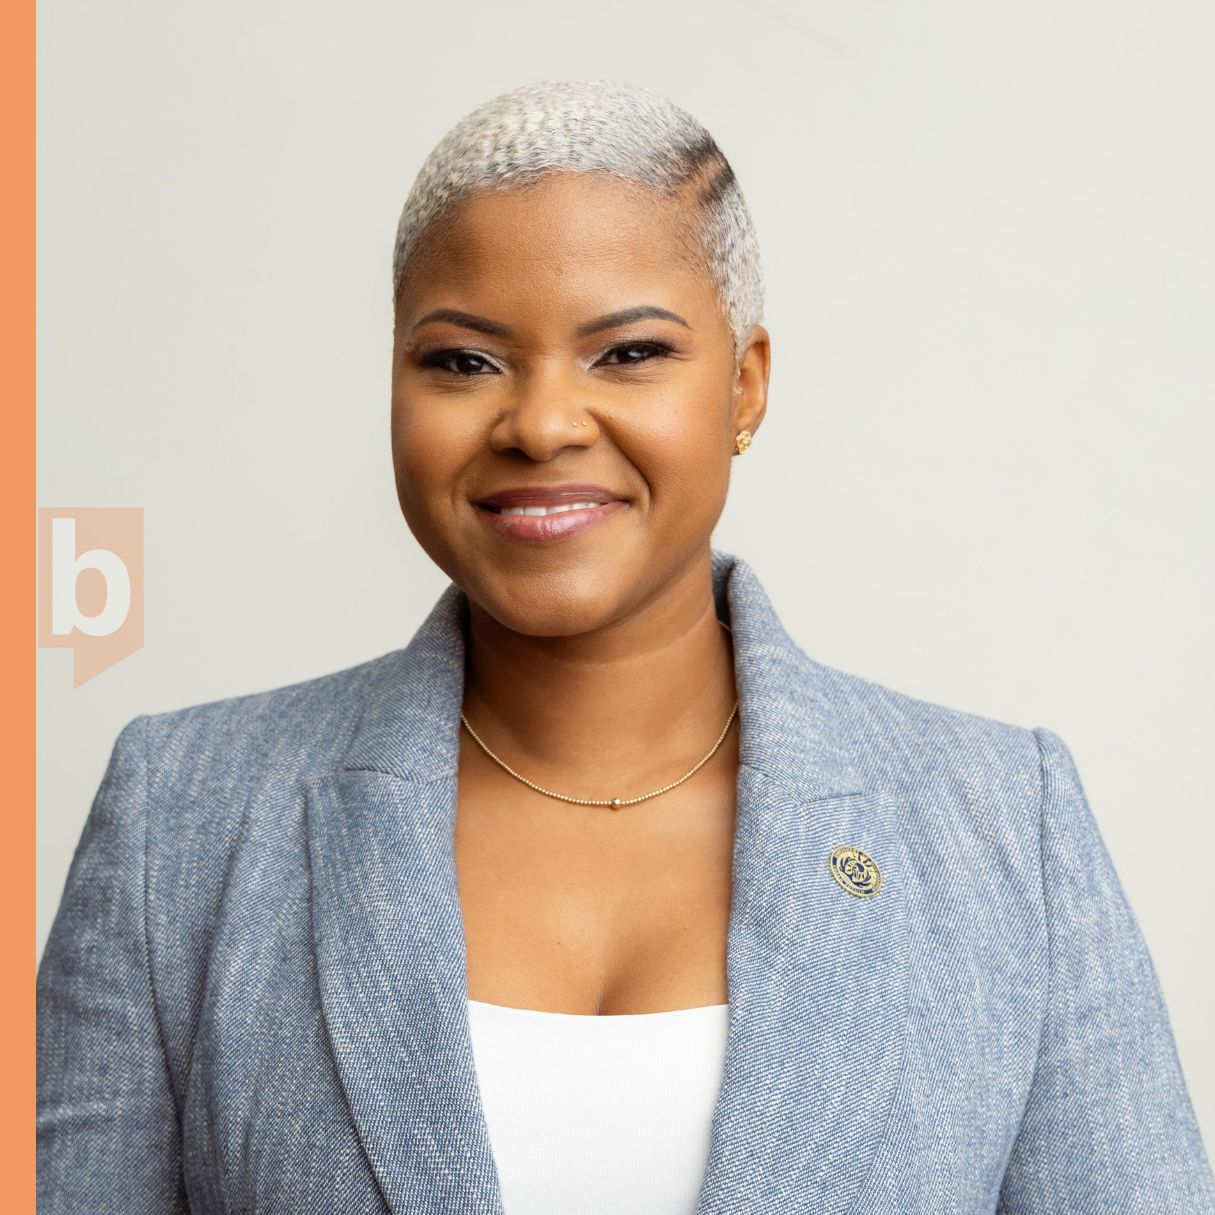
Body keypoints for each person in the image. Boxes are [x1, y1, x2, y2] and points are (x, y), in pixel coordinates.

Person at [37, 77, 1214, 1215]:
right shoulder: (181, 819)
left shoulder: (1001, 824)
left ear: (745, 387)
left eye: (630, 353)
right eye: (463, 361)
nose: (542, 423)